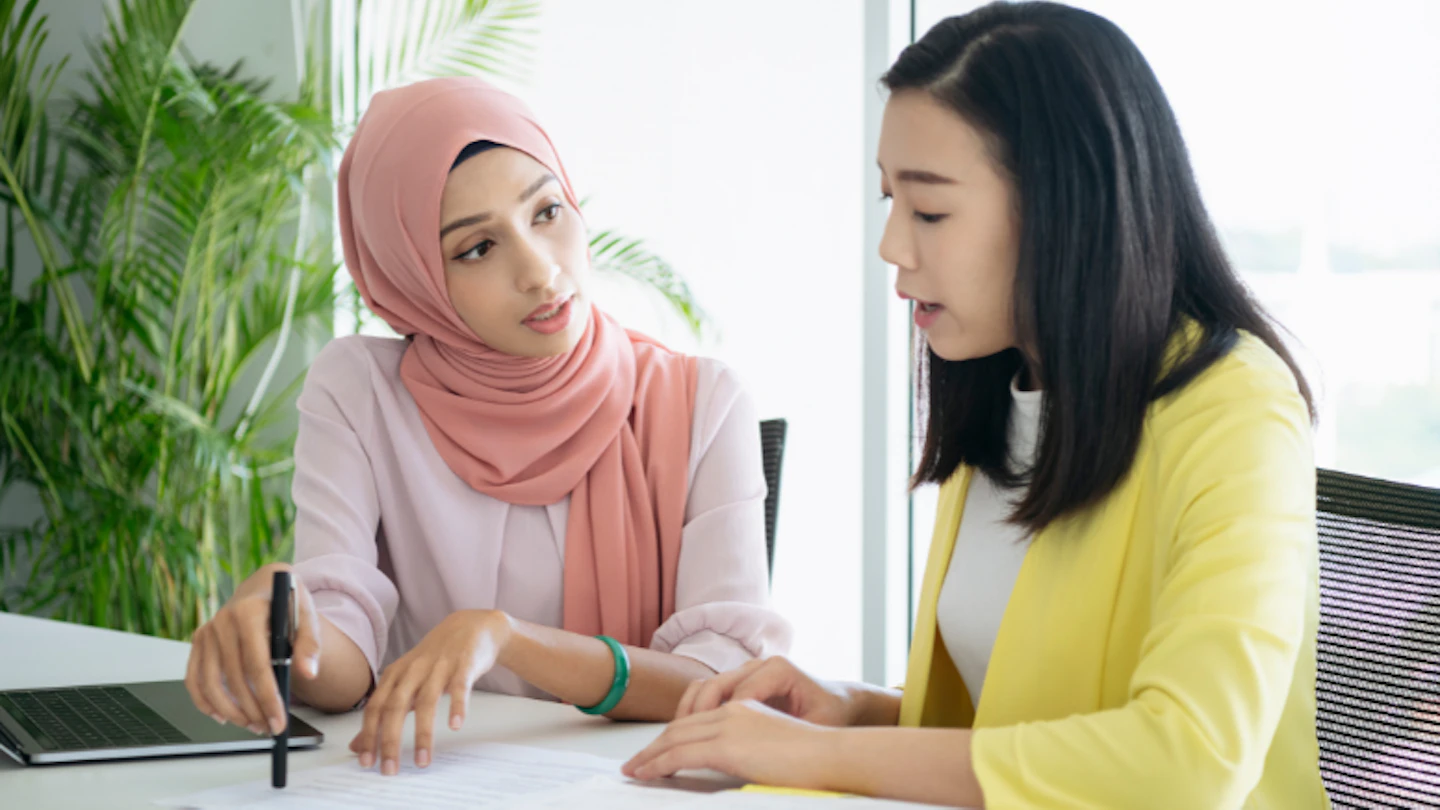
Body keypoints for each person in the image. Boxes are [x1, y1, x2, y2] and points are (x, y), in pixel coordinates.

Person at [623, 3, 1328, 808]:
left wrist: (820, 756)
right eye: (890, 201)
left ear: (1068, 207)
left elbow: (1187, 762)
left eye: (929, 211)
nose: (892, 245)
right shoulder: (1004, 384)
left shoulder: (1236, 412)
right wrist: (853, 711)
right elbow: (1021, 728)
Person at [182, 77, 791, 778]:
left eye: (547, 211)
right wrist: (289, 620)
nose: (540, 271)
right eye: (476, 248)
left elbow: (723, 684)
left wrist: (508, 641)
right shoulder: (361, 392)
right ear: (412, 278)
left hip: (625, 783)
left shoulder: (702, 402)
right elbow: (344, 667)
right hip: (421, 781)